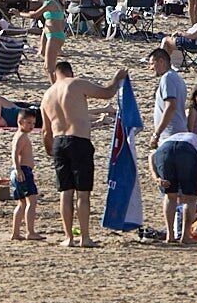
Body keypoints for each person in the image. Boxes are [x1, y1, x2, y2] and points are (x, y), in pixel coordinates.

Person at [41, 59, 132, 248]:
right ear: (70, 72)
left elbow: (45, 132)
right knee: (83, 193)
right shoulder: (75, 83)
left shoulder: (47, 95)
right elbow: (107, 93)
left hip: (59, 142)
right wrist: (117, 78)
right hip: (79, 140)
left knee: (65, 192)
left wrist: (50, 149)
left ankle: (68, 237)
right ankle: (85, 237)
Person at [8, 105, 45, 241]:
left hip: (20, 171)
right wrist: (18, 169)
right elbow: (14, 153)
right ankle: (30, 232)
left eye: (33, 123)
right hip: (22, 171)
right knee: (31, 201)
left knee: (22, 203)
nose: (31, 126)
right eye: (28, 123)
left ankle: (16, 233)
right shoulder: (21, 136)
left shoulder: (20, 136)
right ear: (20, 122)